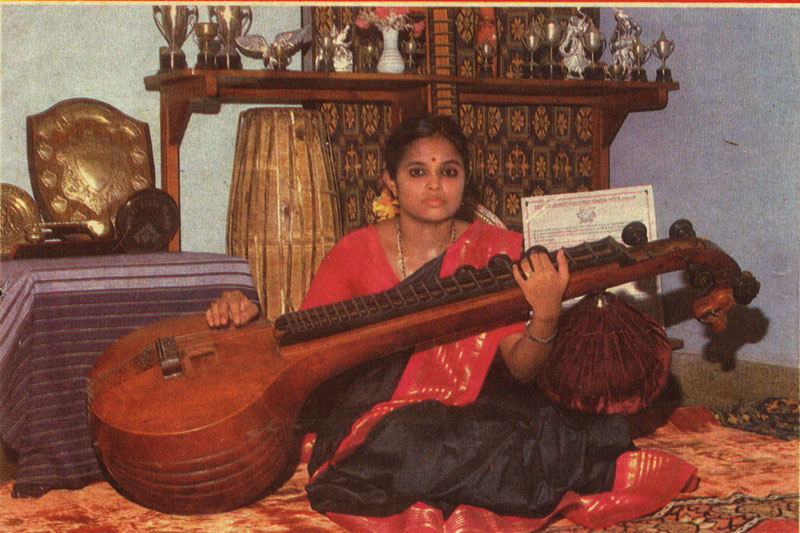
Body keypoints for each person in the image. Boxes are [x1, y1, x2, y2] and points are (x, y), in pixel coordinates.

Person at [206, 114, 696, 529]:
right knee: (416, 441)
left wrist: (546, 317)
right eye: (417, 171)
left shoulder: (501, 250)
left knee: (555, 435)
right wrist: (247, 317)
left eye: (449, 171)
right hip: (383, 419)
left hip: (478, 409)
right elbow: (302, 345)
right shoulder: (355, 251)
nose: (434, 184)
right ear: (390, 181)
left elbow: (521, 368)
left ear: (465, 179)